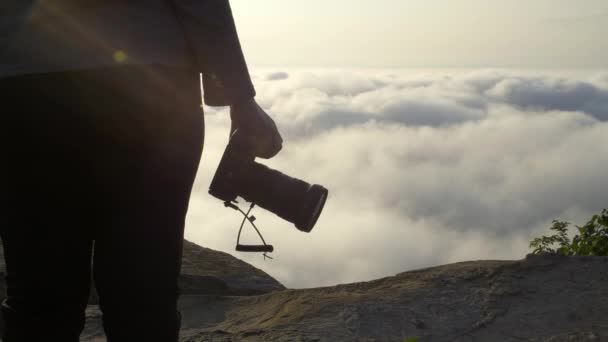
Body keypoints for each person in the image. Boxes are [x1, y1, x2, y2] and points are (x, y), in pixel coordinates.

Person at [0, 1, 282, 341]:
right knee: (143, 292)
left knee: (39, 296)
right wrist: (239, 96)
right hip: (149, 88)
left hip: (20, 88)